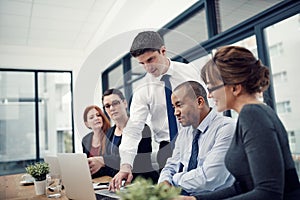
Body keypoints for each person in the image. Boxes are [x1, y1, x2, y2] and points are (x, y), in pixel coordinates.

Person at [181, 46, 300, 200]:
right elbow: (244, 186)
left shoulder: (253, 115)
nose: (209, 95)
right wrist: (196, 199)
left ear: (235, 88)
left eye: (212, 88)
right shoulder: (252, 114)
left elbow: (269, 193)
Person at [109, 31, 201, 191]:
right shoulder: (142, 89)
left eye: (151, 59)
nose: (148, 67)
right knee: (169, 194)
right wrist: (125, 165)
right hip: (167, 150)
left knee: (199, 190)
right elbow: (133, 129)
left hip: (197, 140)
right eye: (142, 63)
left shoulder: (189, 72)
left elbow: (207, 105)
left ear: (163, 51)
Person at [158, 81, 235, 195]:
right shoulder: (185, 132)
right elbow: (171, 166)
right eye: (174, 107)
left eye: (179, 105)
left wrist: (173, 181)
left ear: (199, 102)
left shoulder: (227, 128)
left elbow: (210, 178)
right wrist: (164, 181)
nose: (175, 113)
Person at [101, 88, 159, 182]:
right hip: (119, 183)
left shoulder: (142, 128)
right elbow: (109, 167)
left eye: (115, 103)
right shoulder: (109, 133)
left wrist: (104, 161)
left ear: (125, 103)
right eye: (107, 106)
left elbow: (138, 162)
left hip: (142, 183)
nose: (112, 108)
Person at [82, 105, 111, 178]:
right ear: (87, 123)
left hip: (107, 180)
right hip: (92, 181)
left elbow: (115, 163)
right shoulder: (86, 140)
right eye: (91, 117)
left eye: (98, 115)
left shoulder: (111, 135)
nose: (96, 118)